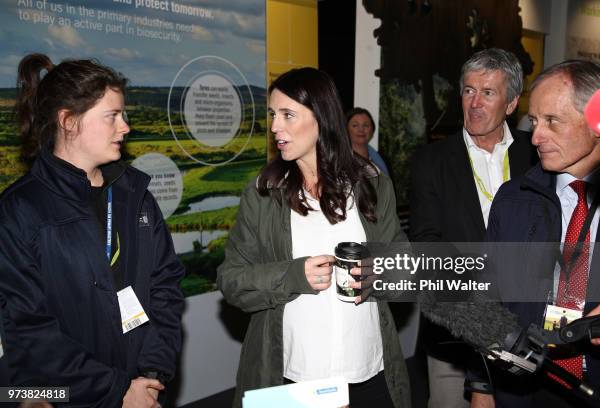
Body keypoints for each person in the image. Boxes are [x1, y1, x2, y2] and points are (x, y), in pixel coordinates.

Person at [217, 68, 410, 408]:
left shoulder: (371, 183)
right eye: (273, 115)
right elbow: (232, 280)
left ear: (321, 116)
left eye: (288, 115)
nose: (276, 127)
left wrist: (377, 273)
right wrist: (293, 275)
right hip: (293, 379)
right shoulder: (264, 194)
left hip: (368, 375)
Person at [0, 54, 185, 407]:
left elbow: (165, 289)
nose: (125, 126)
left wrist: (150, 378)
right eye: (112, 116)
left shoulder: (135, 195)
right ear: (68, 121)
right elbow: (30, 330)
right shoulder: (20, 210)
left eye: (124, 115)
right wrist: (117, 391)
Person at [476, 60, 600, 407]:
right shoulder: (513, 199)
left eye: (552, 121)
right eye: (534, 121)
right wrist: (481, 387)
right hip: (523, 391)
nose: (536, 137)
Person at [409, 48, 538, 408]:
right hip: (456, 330)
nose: (475, 103)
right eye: (468, 91)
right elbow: (426, 242)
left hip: (526, 324)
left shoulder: (537, 156)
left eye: (488, 93)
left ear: (511, 103)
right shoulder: (431, 161)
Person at [346, 107, 390, 175]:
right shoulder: (338, 161)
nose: (361, 129)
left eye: (366, 125)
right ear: (346, 130)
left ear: (372, 131)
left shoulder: (383, 162)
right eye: (355, 125)